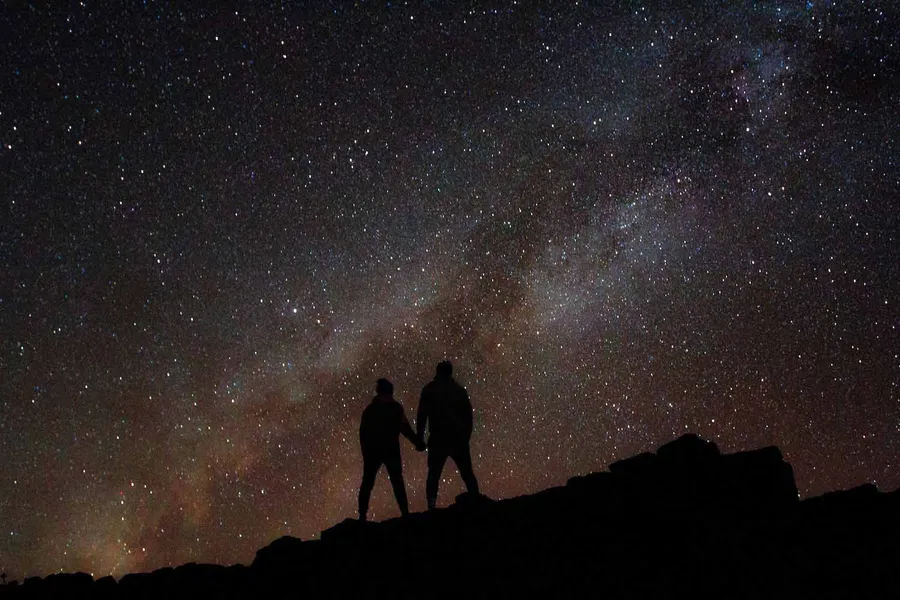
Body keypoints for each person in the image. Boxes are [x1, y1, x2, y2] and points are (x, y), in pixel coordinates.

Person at [358, 378, 424, 521]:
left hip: (373, 451)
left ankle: (362, 516)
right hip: (391, 450)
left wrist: (366, 453)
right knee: (397, 481)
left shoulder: (370, 411)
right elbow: (405, 428)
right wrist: (418, 442)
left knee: (368, 482)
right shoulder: (396, 408)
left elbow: (363, 434)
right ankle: (405, 512)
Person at [416, 361, 480, 509]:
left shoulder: (430, 389)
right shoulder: (459, 390)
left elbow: (422, 416)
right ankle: (476, 499)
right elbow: (468, 416)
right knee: (467, 472)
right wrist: (466, 436)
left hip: (438, 437)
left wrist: (420, 437)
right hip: (458, 438)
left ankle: (431, 504)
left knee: (434, 473)